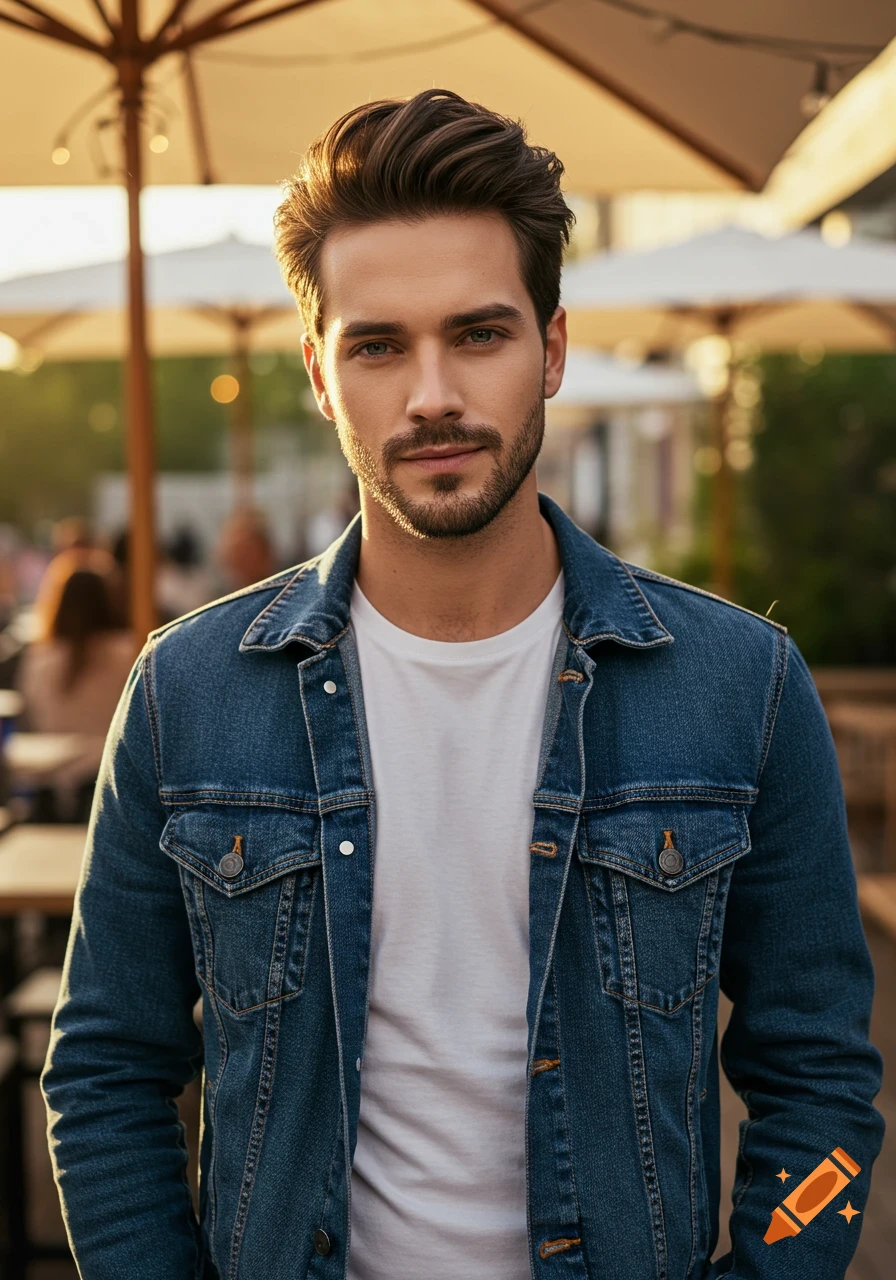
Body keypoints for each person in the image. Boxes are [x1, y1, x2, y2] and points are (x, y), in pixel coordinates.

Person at [42, 90, 883, 1280]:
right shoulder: (186, 693)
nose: (430, 393)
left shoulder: (739, 688)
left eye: (477, 333)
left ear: (551, 348)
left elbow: (821, 1084)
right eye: (377, 344)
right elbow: (107, 1073)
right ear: (321, 376)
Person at [18, 558, 133, 820]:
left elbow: (33, 717)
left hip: (44, 785)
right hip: (103, 781)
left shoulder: (40, 657)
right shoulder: (127, 653)